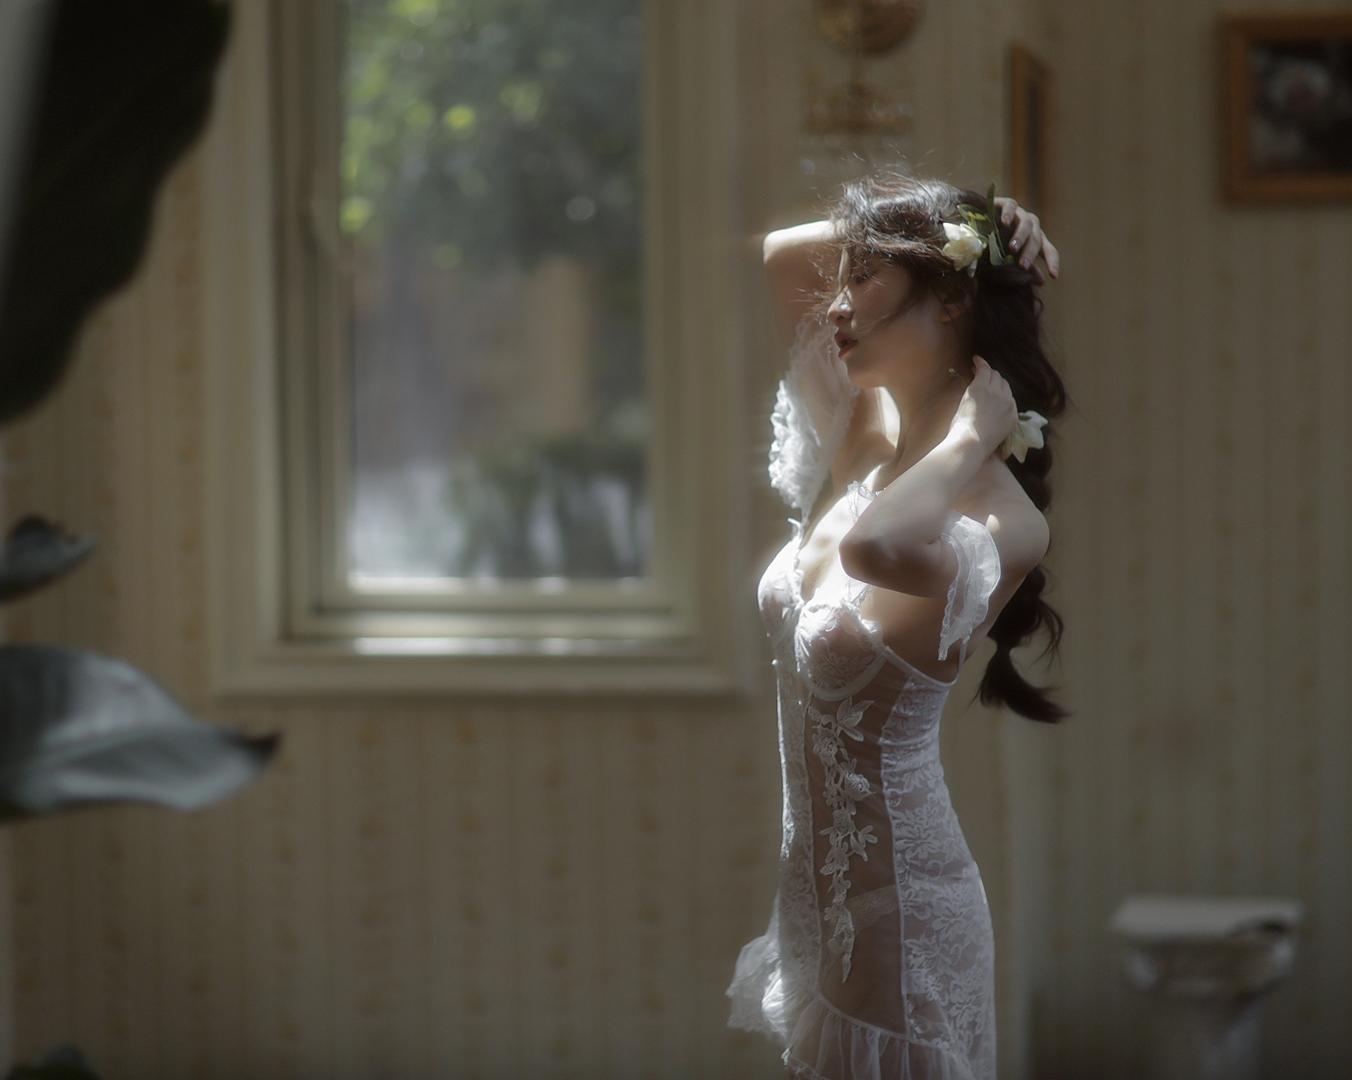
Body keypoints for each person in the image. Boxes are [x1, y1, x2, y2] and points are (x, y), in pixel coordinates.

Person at [726, 171, 1070, 1080]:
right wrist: (975, 217)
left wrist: (967, 439)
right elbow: (781, 257)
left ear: (951, 299)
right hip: (816, 911)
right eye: (844, 276)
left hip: (907, 922)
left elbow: (875, 549)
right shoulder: (866, 430)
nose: (836, 302)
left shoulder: (1002, 519)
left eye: (863, 276)